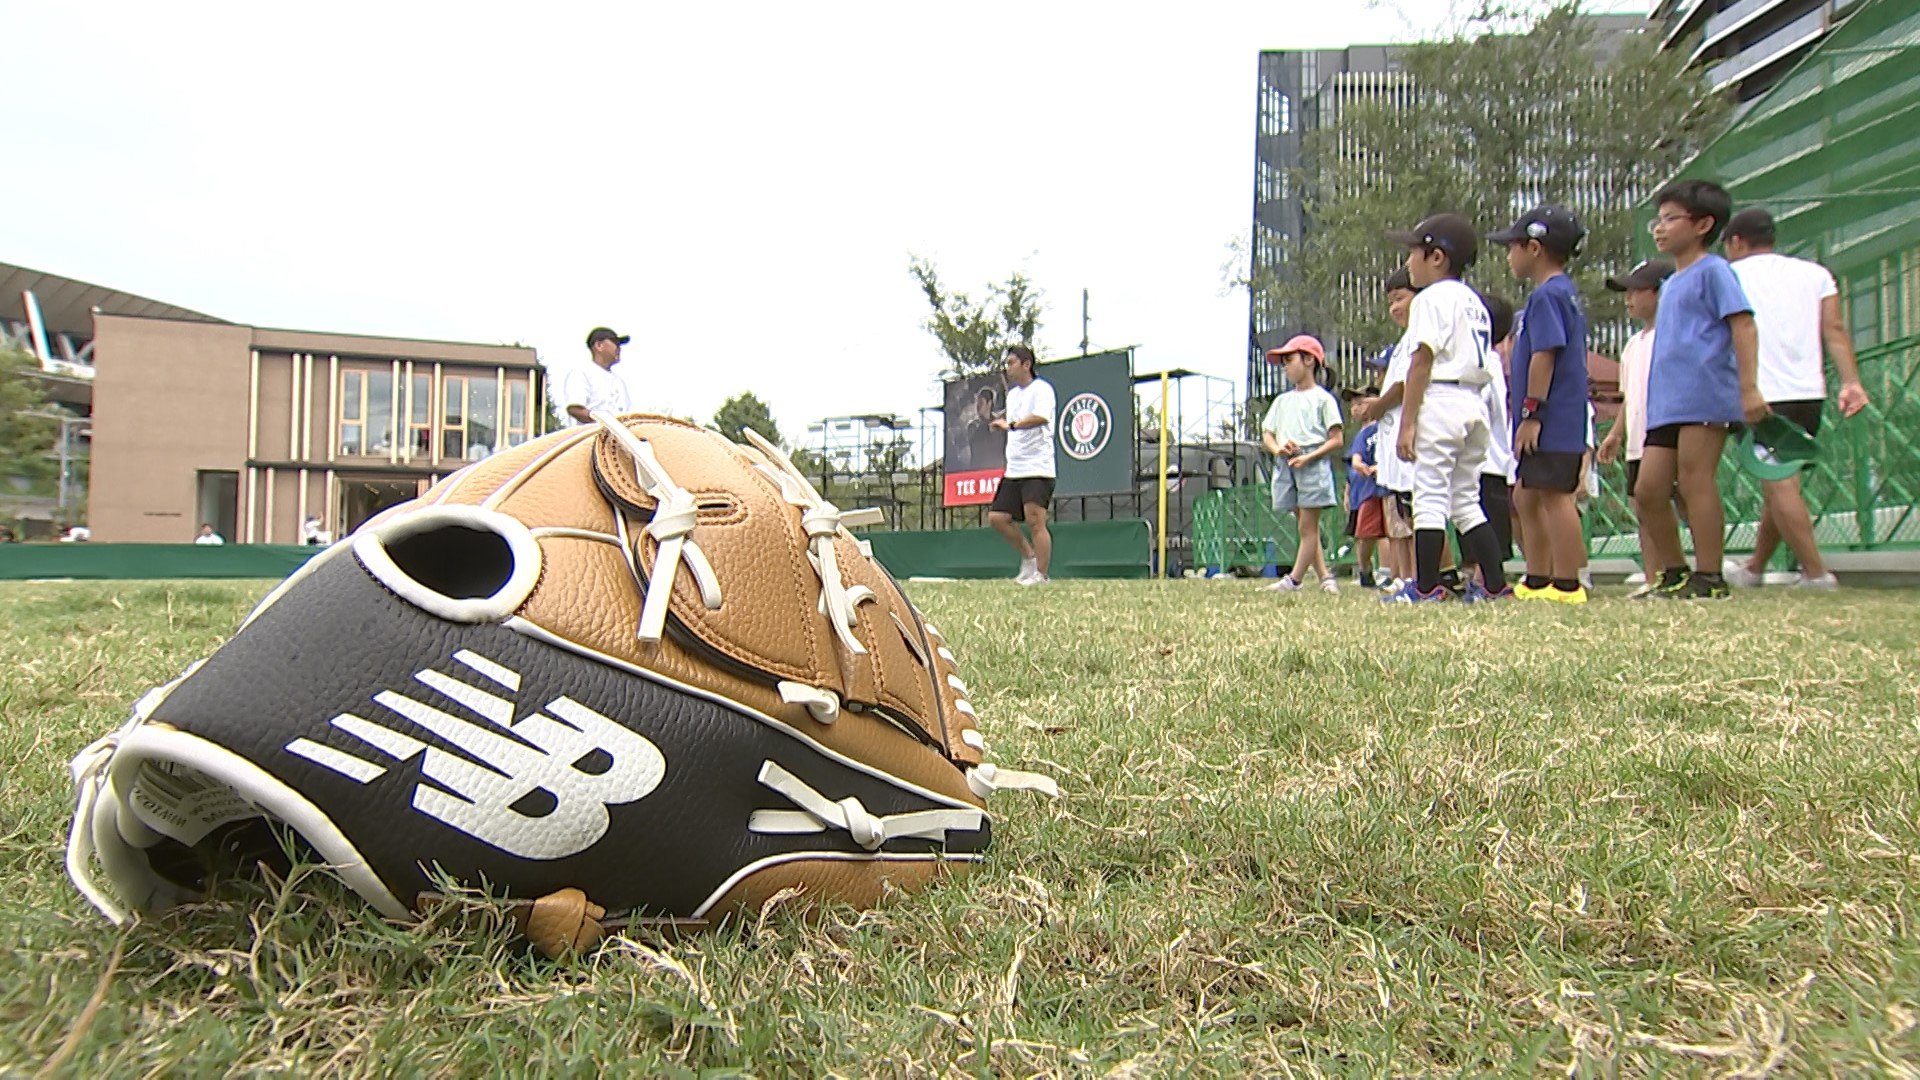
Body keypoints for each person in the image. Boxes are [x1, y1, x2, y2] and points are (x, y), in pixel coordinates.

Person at [1722, 207, 1872, 590]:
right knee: (1782, 479)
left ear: (1736, 242)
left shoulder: (1727, 275)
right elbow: (1834, 329)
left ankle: (1817, 573)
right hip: (1808, 391)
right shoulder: (1816, 274)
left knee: (1779, 484)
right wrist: (1851, 381)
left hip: (1757, 390)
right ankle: (1755, 568)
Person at [1638, 179, 1768, 601]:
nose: (1659, 228)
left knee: (1697, 481)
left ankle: (1709, 575)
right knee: (1649, 489)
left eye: (1670, 219)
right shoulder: (1671, 283)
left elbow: (1743, 324)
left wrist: (1748, 388)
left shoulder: (1715, 271)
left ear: (1703, 225)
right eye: (1657, 220)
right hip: (1666, 404)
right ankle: (1674, 571)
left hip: (1704, 395)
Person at [1381, 213, 1510, 604]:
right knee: (1466, 499)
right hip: (1473, 402)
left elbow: (1421, 360)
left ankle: (1426, 587)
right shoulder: (1473, 301)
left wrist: (1407, 425)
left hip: (1440, 398)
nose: (1408, 263)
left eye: (1414, 253)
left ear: (1436, 257)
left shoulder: (1431, 299)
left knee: (1430, 496)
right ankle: (1494, 583)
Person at [1491, 205, 1592, 604]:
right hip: (1550, 415)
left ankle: (1566, 583)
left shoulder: (1549, 296)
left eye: (1512, 246)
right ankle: (1537, 576)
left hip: (1553, 417)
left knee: (1554, 496)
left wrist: (1532, 412)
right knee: (1526, 496)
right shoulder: (1557, 294)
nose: (1509, 256)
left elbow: (1544, 355)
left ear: (1533, 248)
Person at [1597, 258, 1680, 598]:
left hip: (1668, 434)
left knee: (1682, 500)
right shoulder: (1632, 345)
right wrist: (1617, 433)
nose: (1629, 299)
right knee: (1642, 507)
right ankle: (1653, 576)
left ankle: (1699, 566)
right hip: (1638, 440)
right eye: (1626, 292)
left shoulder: (1673, 337)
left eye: (1637, 291)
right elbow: (1630, 396)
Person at [1351, 268, 1420, 591]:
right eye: (1390, 301)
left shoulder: (1421, 338)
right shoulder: (1403, 342)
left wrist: (1378, 406)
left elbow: (1406, 384)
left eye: (1400, 298)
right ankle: (1405, 576)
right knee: (1400, 521)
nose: (1394, 307)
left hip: (1414, 439)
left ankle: (1424, 576)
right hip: (1395, 452)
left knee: (1418, 515)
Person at [1259, 335, 1344, 593]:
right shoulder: (1282, 401)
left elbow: (1337, 439)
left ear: (1309, 360)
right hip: (1287, 463)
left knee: (1307, 526)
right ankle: (1325, 577)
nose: (1285, 367)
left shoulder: (1323, 399)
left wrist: (1309, 456)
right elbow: (1268, 434)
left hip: (1312, 463)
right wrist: (1278, 450)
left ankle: (1294, 580)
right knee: (1305, 525)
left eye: (1289, 360)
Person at [987, 345, 1057, 586]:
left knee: (1036, 521)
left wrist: (1011, 425)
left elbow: (1041, 417)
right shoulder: (1013, 394)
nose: (1007, 368)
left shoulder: (1042, 389)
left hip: (1038, 468)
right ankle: (1029, 558)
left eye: (1011, 363)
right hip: (1014, 469)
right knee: (997, 517)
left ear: (1026, 364)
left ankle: (1042, 575)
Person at [1341, 386, 1385, 589]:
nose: (1356, 408)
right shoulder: (1360, 433)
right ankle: (1365, 572)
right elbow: (1353, 463)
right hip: (1358, 491)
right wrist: (1347, 491)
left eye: (1361, 403)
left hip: (1373, 489)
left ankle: (1384, 571)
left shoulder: (1379, 429)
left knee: (1373, 533)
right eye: (1353, 405)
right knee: (1360, 534)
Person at [558, 327, 633, 426]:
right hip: (591, 436)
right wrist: (605, 423)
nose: (619, 348)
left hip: (619, 437)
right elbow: (575, 409)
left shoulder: (619, 382)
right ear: (599, 345)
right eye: (615, 343)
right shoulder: (581, 372)